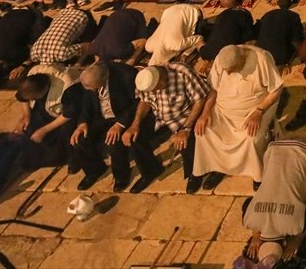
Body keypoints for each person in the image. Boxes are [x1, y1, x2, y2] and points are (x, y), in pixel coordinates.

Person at [193, 44, 283, 189]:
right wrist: (205, 113)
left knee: (250, 139)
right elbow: (213, 89)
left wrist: (259, 111)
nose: (228, 74)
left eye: (231, 71)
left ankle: (257, 174)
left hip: (253, 111)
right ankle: (219, 168)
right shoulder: (221, 59)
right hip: (223, 111)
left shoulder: (261, 59)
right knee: (203, 132)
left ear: (242, 59)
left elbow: (276, 89)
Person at [70, 62, 161, 193]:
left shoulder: (127, 75)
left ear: (104, 78)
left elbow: (138, 102)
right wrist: (82, 122)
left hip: (123, 116)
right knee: (79, 139)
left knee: (114, 141)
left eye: (94, 87)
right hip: (102, 117)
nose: (92, 91)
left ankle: (121, 176)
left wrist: (120, 124)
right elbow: (87, 102)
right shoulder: (90, 78)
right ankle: (94, 170)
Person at [243, 138, 306, 266]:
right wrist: (255, 235)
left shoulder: (294, 227)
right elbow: (247, 203)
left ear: (284, 243)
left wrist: (297, 240)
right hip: (274, 147)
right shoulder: (250, 221)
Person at [129, 63, 212, 193]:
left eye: (157, 89)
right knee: (134, 137)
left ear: (162, 78)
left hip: (184, 115)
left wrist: (186, 128)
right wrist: (135, 124)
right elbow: (145, 101)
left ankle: (195, 174)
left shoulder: (182, 72)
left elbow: (200, 99)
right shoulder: (145, 77)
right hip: (160, 116)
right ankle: (151, 171)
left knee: (185, 140)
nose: (155, 92)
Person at [256, 0, 305, 69]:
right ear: (291, 5)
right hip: (279, 57)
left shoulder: (267, 14)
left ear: (278, 4)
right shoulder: (293, 16)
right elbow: (296, 39)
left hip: (262, 54)